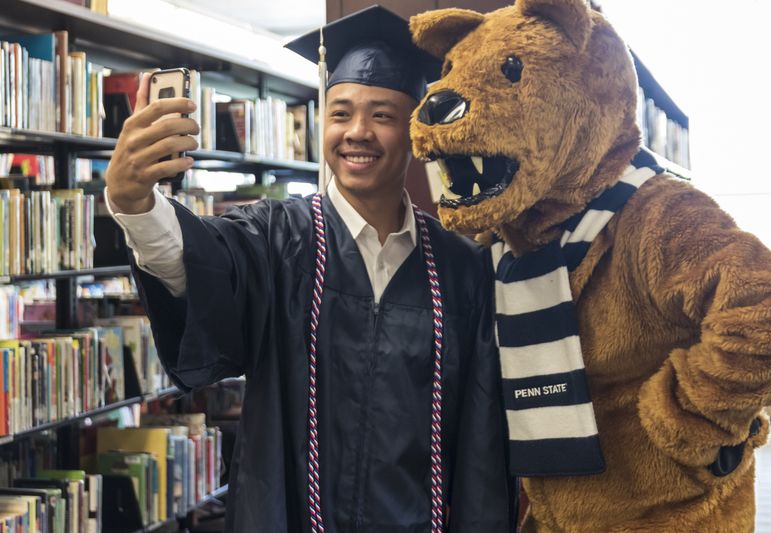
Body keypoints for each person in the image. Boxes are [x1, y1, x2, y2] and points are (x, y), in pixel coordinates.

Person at [104, 5, 514, 533]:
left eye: (383, 115)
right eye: (340, 113)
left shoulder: (462, 269)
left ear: (415, 131)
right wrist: (134, 202)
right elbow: (192, 263)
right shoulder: (274, 239)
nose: (357, 132)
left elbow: (482, 443)